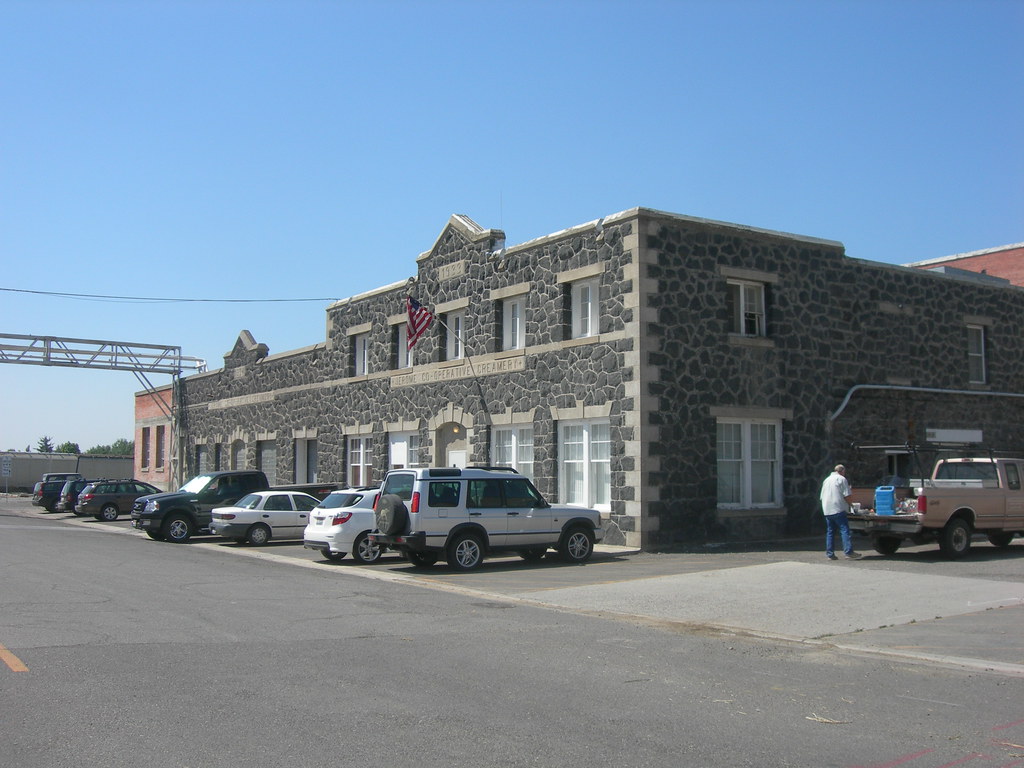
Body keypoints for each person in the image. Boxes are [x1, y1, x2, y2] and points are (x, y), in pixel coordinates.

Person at [819, 464, 861, 560]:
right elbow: (847, 495)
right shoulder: (842, 479)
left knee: (830, 532)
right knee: (844, 530)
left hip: (827, 509)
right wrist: (852, 506)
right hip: (838, 509)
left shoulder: (826, 480)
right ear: (842, 471)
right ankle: (848, 552)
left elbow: (821, 497)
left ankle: (830, 554)